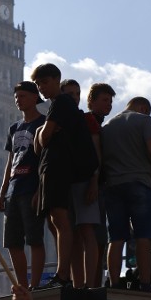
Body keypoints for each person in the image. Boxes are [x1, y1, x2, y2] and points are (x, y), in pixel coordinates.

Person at [32, 63, 88, 288]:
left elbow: (43, 141)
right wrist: (42, 130)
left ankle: (63, 275)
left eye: (44, 82)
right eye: (38, 84)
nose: (42, 88)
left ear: (57, 80)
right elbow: (39, 143)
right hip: (50, 168)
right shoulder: (56, 106)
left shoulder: (61, 103)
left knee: (60, 219)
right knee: (52, 222)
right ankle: (63, 273)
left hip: (58, 167)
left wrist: (43, 132)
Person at [101, 97, 151, 292]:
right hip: (139, 183)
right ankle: (144, 284)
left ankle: (114, 283)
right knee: (143, 236)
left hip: (113, 185)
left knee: (116, 238)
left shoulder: (107, 126)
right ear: (144, 107)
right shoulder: (144, 120)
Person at [0, 81, 47, 288]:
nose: (19, 100)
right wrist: (2, 192)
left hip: (31, 189)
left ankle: (35, 284)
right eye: (17, 97)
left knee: (34, 239)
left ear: (35, 97)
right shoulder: (14, 128)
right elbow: (10, 162)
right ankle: (22, 285)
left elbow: (46, 160)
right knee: (12, 243)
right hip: (13, 191)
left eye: (23, 96)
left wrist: (40, 190)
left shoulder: (44, 123)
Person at [60, 78, 102, 288]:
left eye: (77, 94)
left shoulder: (87, 120)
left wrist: (94, 181)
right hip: (64, 184)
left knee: (87, 230)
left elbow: (96, 153)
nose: (74, 98)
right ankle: (77, 284)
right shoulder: (57, 120)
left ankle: (89, 282)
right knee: (72, 235)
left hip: (85, 181)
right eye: (69, 95)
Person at [87, 83, 116, 287]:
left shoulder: (101, 125)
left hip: (101, 186)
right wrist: (94, 181)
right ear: (92, 101)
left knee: (99, 237)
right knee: (95, 237)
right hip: (93, 187)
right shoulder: (89, 122)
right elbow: (93, 157)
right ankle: (93, 282)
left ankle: (95, 280)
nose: (109, 105)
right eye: (105, 100)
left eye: (111, 101)